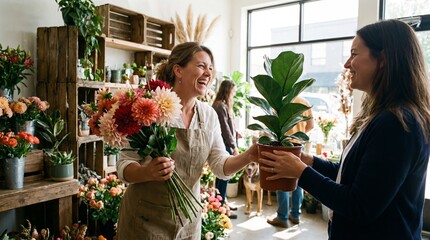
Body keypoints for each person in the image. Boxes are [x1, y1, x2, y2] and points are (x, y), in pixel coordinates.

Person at [259, 19, 430, 240]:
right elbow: (355, 176)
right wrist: (310, 162)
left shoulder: (396, 124)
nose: (347, 64)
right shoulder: (384, 116)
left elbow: (360, 205)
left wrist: (301, 173)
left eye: (354, 54)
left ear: (384, 59)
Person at [115, 42, 258, 239]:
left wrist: (250, 155)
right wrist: (146, 171)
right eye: (201, 66)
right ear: (178, 70)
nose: (208, 73)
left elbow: (220, 166)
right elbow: (124, 164)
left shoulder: (208, 115)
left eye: (210, 68)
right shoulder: (149, 108)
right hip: (144, 220)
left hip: (188, 221)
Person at [267, 95, 314, 228]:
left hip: (283, 144)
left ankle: (282, 217)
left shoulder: (280, 102)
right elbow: (310, 125)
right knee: (298, 179)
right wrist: (299, 131)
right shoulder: (305, 102)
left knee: (281, 178)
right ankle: (295, 215)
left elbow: (274, 125)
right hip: (299, 145)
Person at [212, 80, 239, 218]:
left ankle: (223, 203)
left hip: (226, 144)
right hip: (224, 146)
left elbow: (230, 126)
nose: (233, 94)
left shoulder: (222, 105)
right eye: (233, 91)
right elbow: (225, 129)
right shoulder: (220, 106)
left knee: (223, 179)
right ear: (227, 91)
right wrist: (234, 147)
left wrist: (237, 133)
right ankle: (221, 208)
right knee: (223, 178)